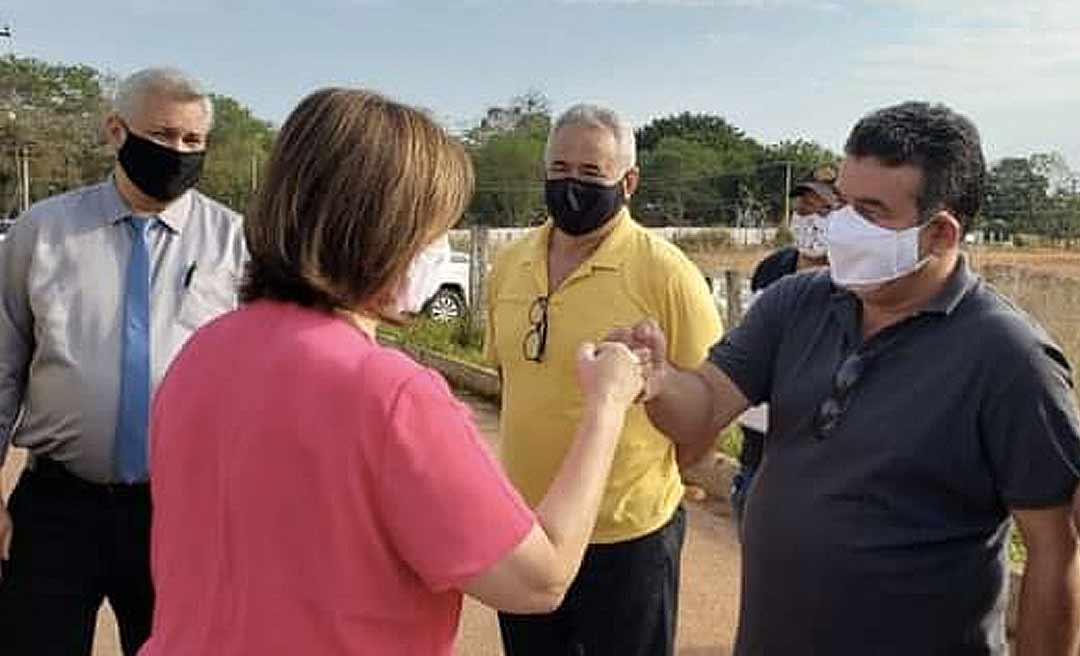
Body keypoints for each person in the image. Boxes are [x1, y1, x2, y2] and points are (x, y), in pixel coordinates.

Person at [141, 88, 646, 656]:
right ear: (383, 233)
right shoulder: (391, 395)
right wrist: (605, 406)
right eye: (432, 228)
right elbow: (540, 578)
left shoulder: (202, 352)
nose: (437, 248)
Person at [613, 101, 1080, 654]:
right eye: (843, 204)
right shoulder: (795, 304)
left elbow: (1054, 548)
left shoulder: (1008, 358)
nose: (842, 224)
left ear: (940, 234)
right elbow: (707, 401)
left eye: (871, 211)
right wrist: (660, 380)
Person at [0, 68, 246, 656]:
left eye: (193, 141)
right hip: (58, 507)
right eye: (163, 135)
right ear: (117, 130)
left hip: (180, 509)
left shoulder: (232, 244)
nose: (179, 152)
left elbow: (257, 379)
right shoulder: (44, 232)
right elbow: (3, 364)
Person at [486, 104, 723, 656]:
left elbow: (711, 400)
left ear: (628, 181)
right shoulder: (510, 263)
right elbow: (508, 375)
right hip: (526, 530)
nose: (572, 185)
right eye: (560, 168)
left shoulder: (666, 272)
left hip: (629, 539)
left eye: (592, 174)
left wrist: (669, 472)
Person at [731, 168, 839, 528]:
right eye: (805, 210)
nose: (811, 220)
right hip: (759, 453)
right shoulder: (772, 269)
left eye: (825, 211)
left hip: (819, 464)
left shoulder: (854, 282)